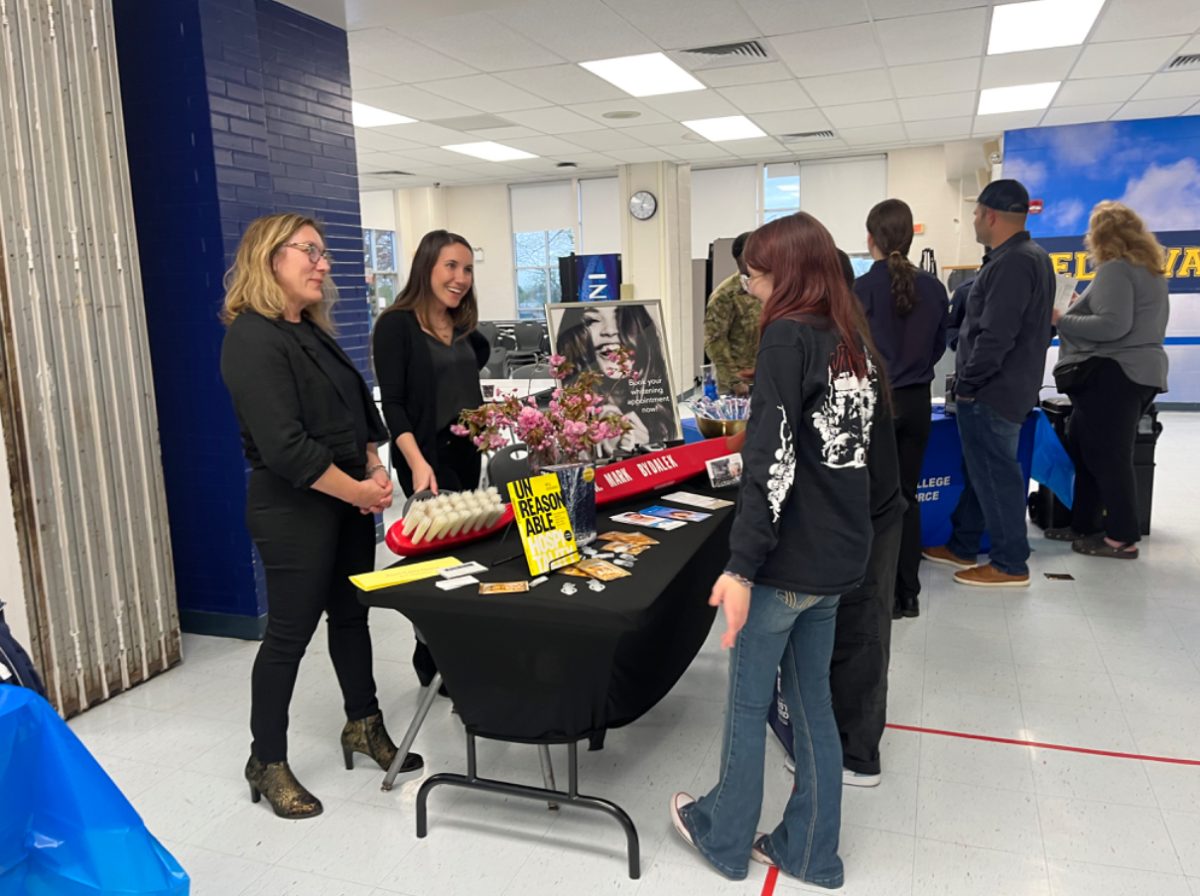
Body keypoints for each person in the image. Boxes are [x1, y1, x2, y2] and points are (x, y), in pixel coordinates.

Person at [669, 212, 880, 888]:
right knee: (812, 701)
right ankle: (812, 850)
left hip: (787, 561)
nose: (751, 288)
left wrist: (740, 565)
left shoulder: (788, 335)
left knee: (748, 701)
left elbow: (774, 463)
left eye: (758, 274)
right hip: (840, 554)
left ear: (788, 274)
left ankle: (725, 834)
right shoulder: (850, 337)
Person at [219, 213, 422, 820]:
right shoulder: (251, 338)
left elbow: (360, 415)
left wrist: (376, 469)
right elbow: (286, 448)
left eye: (324, 253)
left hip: (347, 498)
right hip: (294, 507)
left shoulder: (312, 331)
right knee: (288, 636)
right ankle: (267, 759)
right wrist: (359, 492)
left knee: (353, 618)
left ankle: (363, 725)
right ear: (268, 258)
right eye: (309, 250)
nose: (323, 263)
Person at [923, 179, 1055, 587]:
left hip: (993, 391)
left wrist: (968, 383)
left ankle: (1010, 563)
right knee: (979, 470)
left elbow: (996, 335)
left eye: (977, 214)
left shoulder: (1013, 263)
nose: (975, 221)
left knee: (996, 475)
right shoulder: (1028, 257)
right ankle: (964, 544)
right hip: (1005, 387)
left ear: (991, 216)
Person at [373, 229, 489, 687]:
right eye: (451, 266)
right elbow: (395, 404)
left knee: (462, 554)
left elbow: (464, 388)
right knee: (439, 563)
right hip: (425, 455)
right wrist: (416, 463)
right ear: (426, 266)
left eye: (467, 269)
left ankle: (452, 654)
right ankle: (433, 655)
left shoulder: (464, 329)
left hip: (465, 454)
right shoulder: (396, 325)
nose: (460, 278)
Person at [1048, 201, 1169, 559]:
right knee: (1086, 445)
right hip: (1138, 372)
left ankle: (1121, 537)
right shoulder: (1146, 270)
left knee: (1108, 456)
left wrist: (1061, 319)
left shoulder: (1115, 269)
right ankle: (1084, 524)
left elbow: (1114, 325)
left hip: (1116, 372)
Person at [830, 248, 906, 788]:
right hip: (869, 513)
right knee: (857, 631)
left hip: (861, 519)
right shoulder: (848, 338)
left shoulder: (839, 352)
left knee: (857, 632)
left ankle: (856, 753)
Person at [854, 199, 947, 618]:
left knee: (877, 500)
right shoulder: (934, 288)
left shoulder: (860, 290)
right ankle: (908, 593)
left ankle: (881, 594)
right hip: (918, 403)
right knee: (907, 497)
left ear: (870, 238)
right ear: (911, 238)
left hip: (877, 405)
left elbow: (850, 351)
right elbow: (938, 346)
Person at [554, 303, 677, 450]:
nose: (610, 331)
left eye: (621, 318)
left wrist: (647, 447)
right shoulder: (572, 415)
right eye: (592, 320)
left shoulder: (661, 410)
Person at [703, 232, 761, 394]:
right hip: (738, 386)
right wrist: (734, 381)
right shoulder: (726, 294)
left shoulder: (768, 288)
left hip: (766, 378)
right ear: (742, 257)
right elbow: (715, 342)